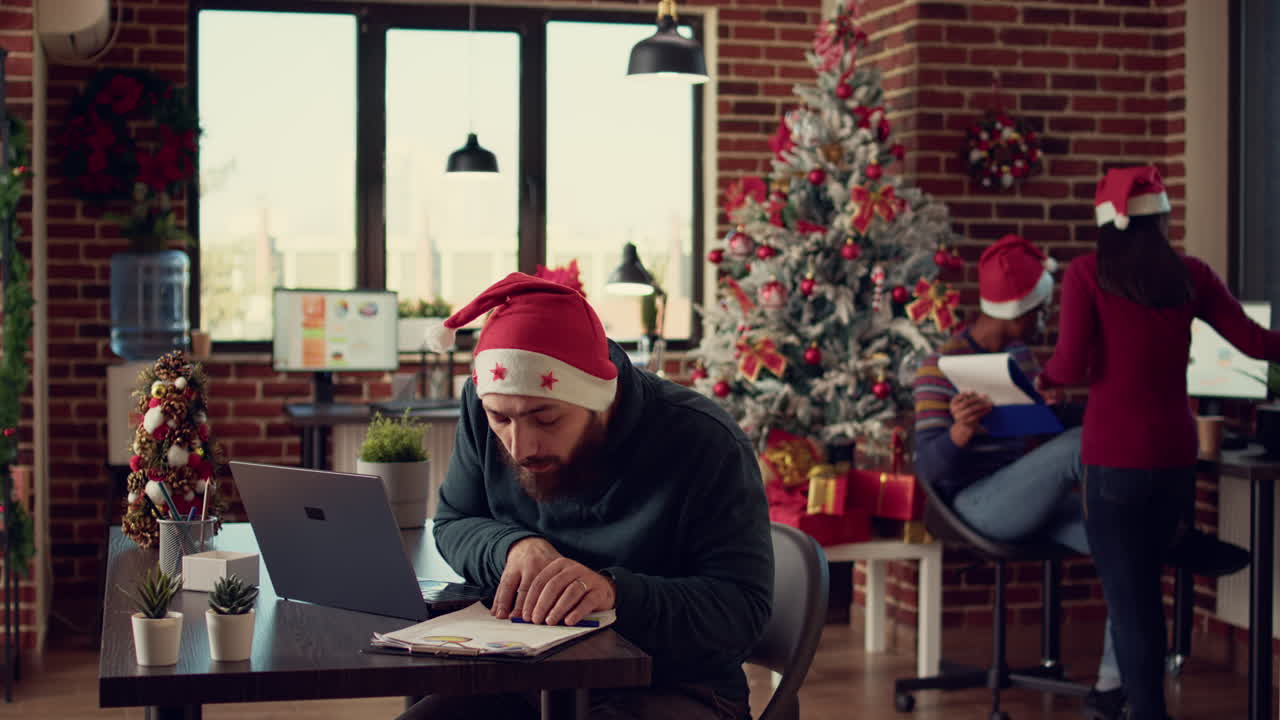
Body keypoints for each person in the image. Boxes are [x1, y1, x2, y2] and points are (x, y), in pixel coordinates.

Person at [399, 273, 774, 720]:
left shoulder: (704, 441)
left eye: (547, 418)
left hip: (676, 685)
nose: (520, 447)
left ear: (599, 399)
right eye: (501, 419)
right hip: (524, 674)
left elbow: (741, 614)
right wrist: (513, 548)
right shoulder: (484, 404)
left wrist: (613, 593)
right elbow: (455, 520)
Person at [1037, 166, 1280, 720]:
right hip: (1175, 457)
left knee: (1131, 600)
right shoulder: (1190, 274)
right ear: (1163, 219)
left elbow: (1069, 364)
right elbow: (1257, 342)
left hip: (1114, 460)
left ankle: (1147, 712)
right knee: (1149, 590)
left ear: (1106, 222)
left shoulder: (1086, 273)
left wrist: (1044, 380)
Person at [912, 234, 1125, 719]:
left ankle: (1113, 686)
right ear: (1025, 312)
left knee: (1127, 541)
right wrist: (962, 430)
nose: (1045, 319)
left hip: (1025, 497)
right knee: (1079, 445)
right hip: (970, 505)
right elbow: (930, 469)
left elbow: (1031, 451)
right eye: (1043, 310)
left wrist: (1044, 416)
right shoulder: (938, 368)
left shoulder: (1023, 360)